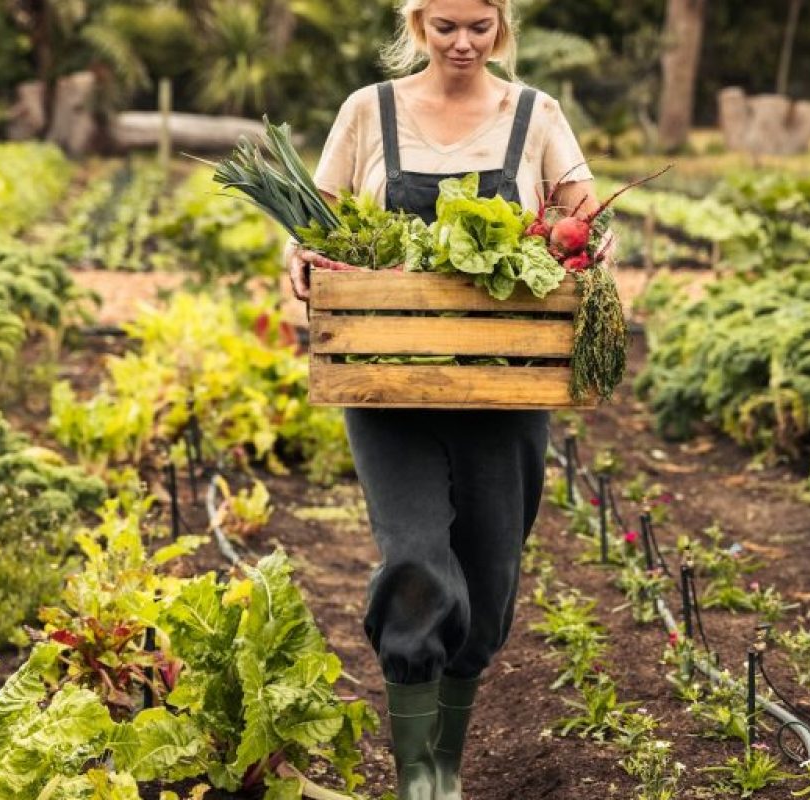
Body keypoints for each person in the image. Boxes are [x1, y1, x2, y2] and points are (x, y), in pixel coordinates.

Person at [281, 1, 602, 797]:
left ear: (502, 28)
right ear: (417, 25)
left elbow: (584, 214)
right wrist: (299, 256)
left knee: (489, 583)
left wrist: (587, 243)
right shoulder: (369, 111)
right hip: (390, 384)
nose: (463, 43)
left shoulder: (535, 114)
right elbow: (312, 223)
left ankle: (449, 760)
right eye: (446, 26)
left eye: (479, 27)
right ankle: (417, 777)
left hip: (506, 384)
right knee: (418, 561)